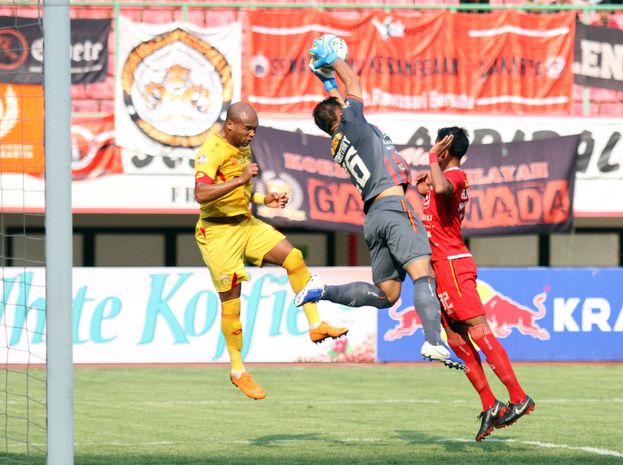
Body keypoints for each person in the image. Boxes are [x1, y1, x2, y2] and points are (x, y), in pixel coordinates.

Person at [295, 36, 463, 369]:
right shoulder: (352, 122)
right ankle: (432, 341)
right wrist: (334, 60)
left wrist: (326, 78)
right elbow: (354, 83)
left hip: (373, 218)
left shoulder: (339, 137)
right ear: (343, 113)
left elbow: (336, 102)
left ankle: (321, 290)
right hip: (393, 208)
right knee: (422, 274)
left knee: (387, 295)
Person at [194, 101, 348, 400]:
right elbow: (201, 194)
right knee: (232, 303)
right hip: (217, 232)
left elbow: (242, 192)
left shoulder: (242, 147)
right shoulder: (209, 151)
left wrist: (265, 200)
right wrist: (241, 178)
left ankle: (315, 324)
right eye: (247, 129)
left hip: (246, 224)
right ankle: (238, 370)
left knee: (294, 258)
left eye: (255, 130)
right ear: (230, 126)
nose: (252, 135)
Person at [415, 126, 535, 442]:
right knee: (456, 339)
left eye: (437, 144)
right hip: (442, 269)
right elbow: (436, 209)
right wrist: (421, 191)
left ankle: (519, 397)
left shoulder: (455, 175)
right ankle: (490, 404)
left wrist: (431, 159)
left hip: (453, 267)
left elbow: (442, 189)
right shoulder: (443, 180)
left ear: (445, 148)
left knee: (479, 331)